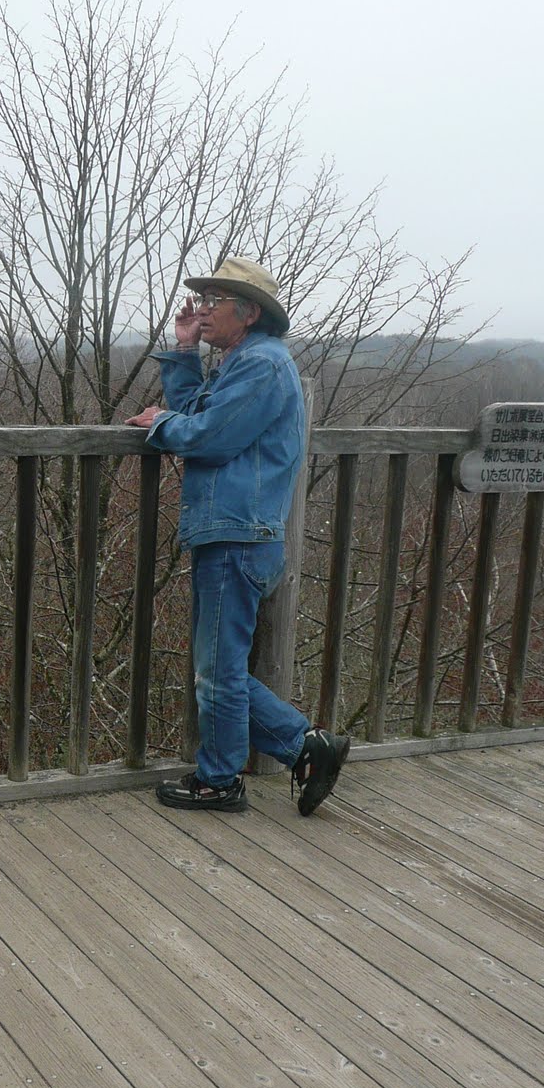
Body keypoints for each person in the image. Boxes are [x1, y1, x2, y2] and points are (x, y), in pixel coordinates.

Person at [126, 255, 349, 815]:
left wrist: (159, 424)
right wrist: (182, 353)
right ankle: (307, 746)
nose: (201, 311)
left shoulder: (263, 366)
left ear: (247, 312)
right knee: (217, 666)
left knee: (219, 669)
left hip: (238, 536)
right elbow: (199, 412)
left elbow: (208, 438)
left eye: (213, 302)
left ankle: (221, 779)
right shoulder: (243, 361)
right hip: (233, 532)